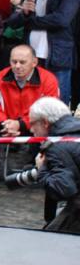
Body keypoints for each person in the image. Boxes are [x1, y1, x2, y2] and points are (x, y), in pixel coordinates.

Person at [8, 0, 80, 105]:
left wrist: (31, 20)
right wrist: (24, 13)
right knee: (31, 103)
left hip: (57, 57)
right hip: (31, 56)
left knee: (56, 105)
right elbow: (12, 22)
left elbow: (61, 20)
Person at [0, 45, 60, 186]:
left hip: (36, 124)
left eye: (22, 62)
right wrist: (5, 123)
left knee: (50, 129)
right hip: (7, 123)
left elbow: (50, 110)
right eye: (13, 62)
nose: (17, 66)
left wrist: (21, 123)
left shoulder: (49, 80)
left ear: (34, 62)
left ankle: (41, 171)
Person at [28, 97, 80, 234]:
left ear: (45, 123)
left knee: (50, 238)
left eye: (33, 124)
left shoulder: (57, 146)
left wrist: (42, 170)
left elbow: (63, 189)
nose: (31, 130)